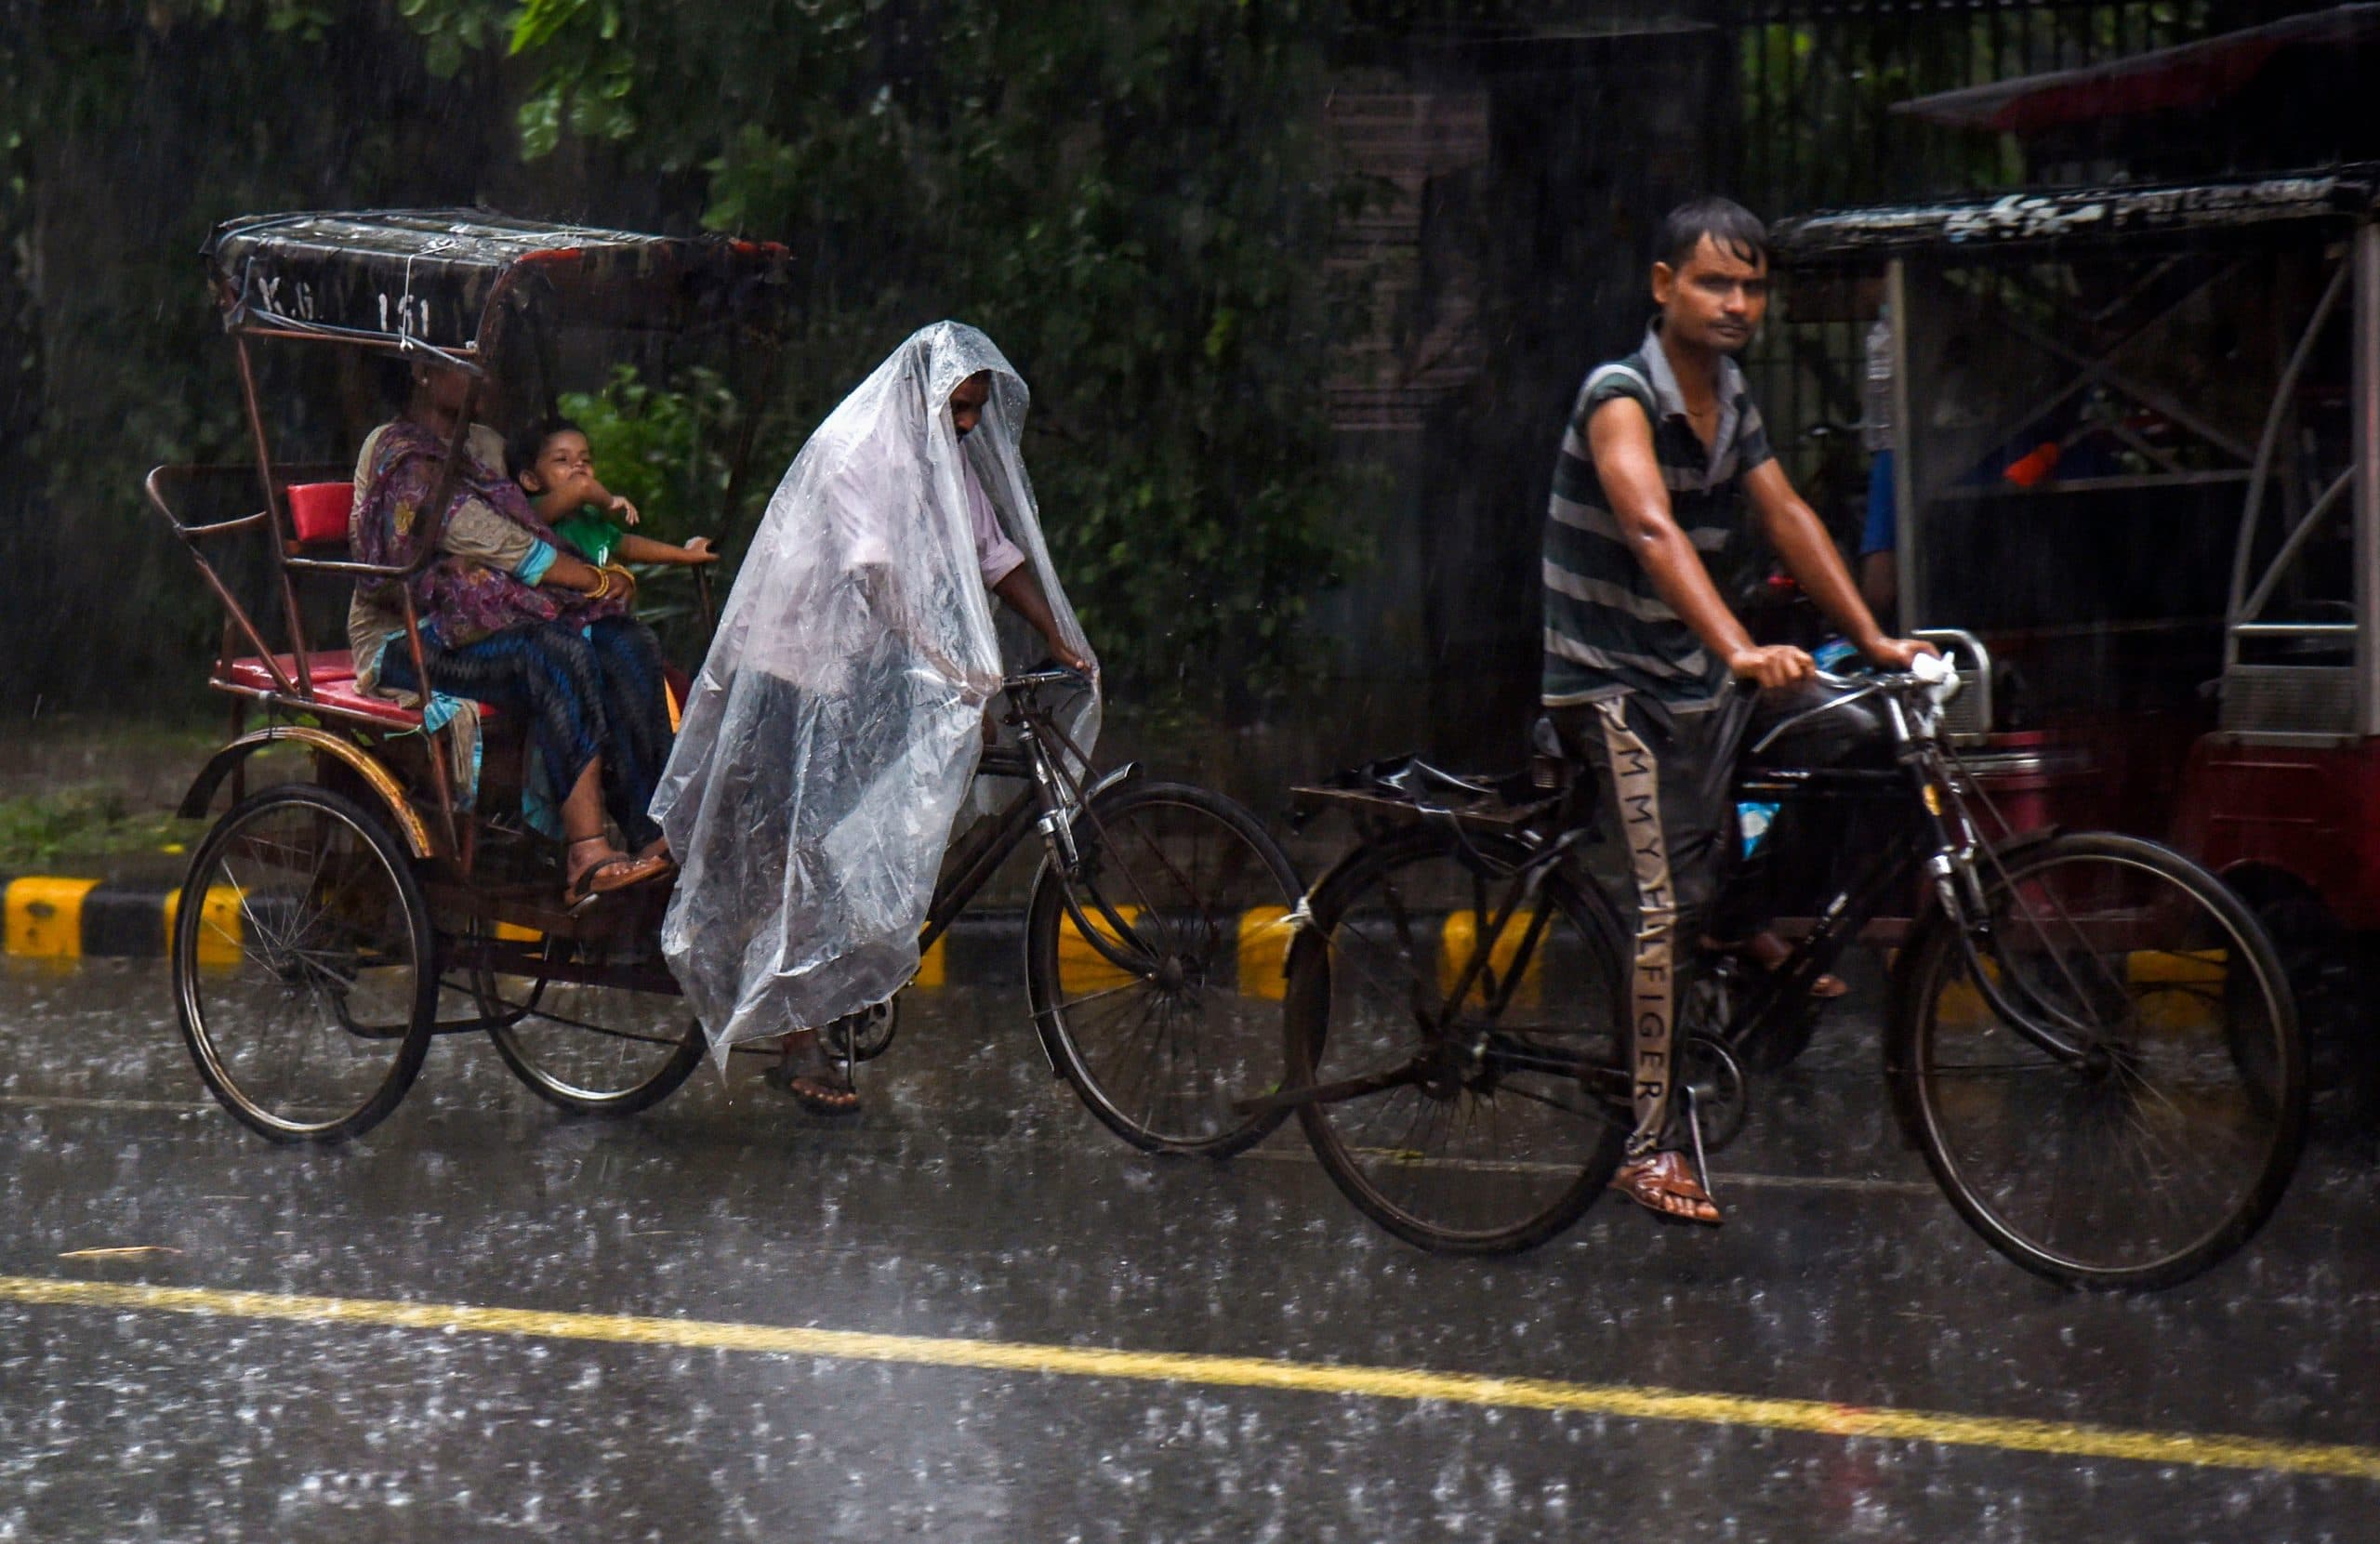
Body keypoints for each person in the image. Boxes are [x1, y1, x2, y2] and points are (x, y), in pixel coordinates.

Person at [1542, 197, 1933, 1225]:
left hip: (1698, 674)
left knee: (1861, 733)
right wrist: (1738, 647)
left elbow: (1790, 514)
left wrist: (1879, 640)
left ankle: (1750, 915)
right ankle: (1647, 1141)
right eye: (1715, 282)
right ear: (1664, 286)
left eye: (1752, 286)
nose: (1737, 303)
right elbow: (1652, 528)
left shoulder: (1734, 399)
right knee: (1660, 907)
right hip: (1609, 683)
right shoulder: (1620, 394)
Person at [653, 322, 1095, 1112]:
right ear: (922, 395)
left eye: (975, 411)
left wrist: (1063, 636)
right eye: (956, 409)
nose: (966, 425)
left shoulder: (946, 458)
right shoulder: (859, 449)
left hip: (855, 672)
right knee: (799, 846)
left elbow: (994, 556)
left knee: (854, 834)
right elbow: (880, 576)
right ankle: (797, 1038)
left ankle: (833, 989)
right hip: (792, 666)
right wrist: (957, 665)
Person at [349, 361, 676, 908]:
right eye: (463, 363)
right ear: (425, 371)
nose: (483, 376)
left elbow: (535, 519)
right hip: (413, 632)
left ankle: (654, 835)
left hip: (507, 612)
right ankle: (586, 856)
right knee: (556, 653)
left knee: (624, 641)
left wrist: (605, 575)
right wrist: (590, 578)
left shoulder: (485, 445)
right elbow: (489, 538)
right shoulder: (396, 451)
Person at [508, 418, 721, 575]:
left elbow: (627, 546)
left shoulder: (589, 518)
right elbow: (582, 486)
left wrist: (687, 555)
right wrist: (609, 502)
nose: (579, 465)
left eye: (586, 459)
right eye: (562, 459)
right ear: (531, 481)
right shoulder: (535, 512)